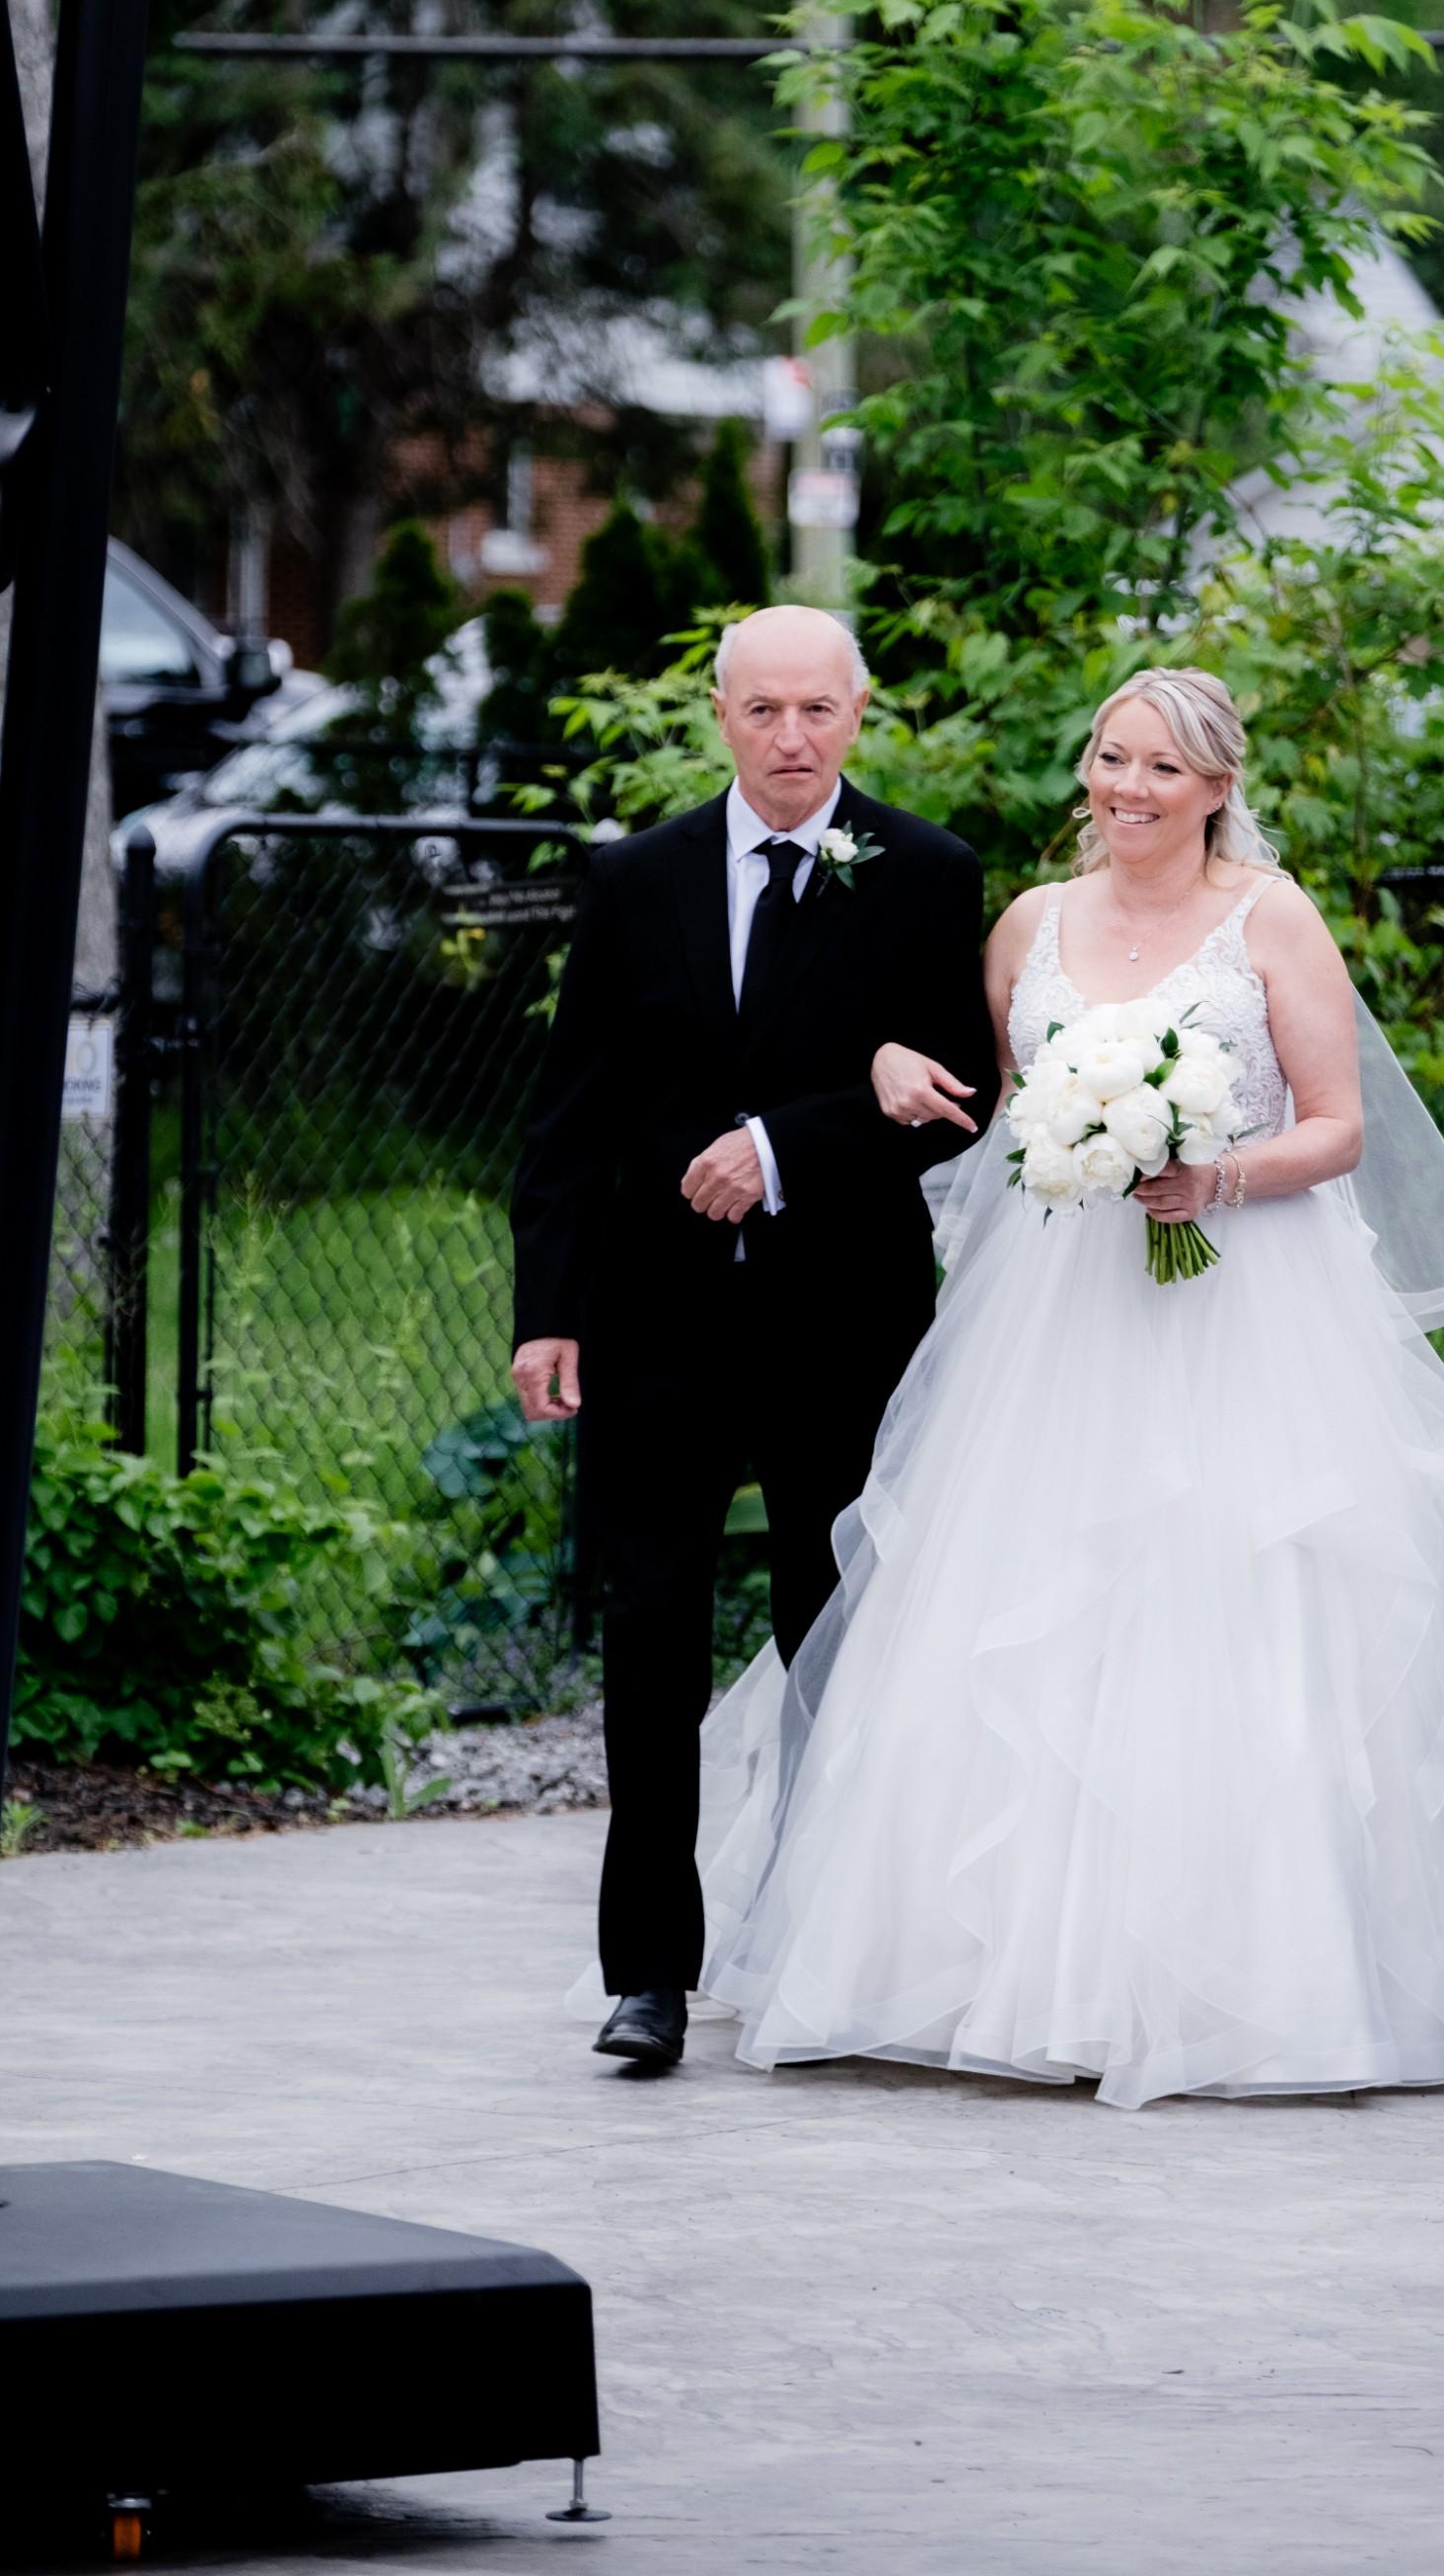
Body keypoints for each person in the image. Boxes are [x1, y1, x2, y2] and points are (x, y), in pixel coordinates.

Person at [690, 669, 1444, 2109]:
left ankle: (1257, 1983)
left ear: (1218, 786)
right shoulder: (1029, 926)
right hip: (1054, 1315)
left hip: (1248, 1307)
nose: (1129, 789)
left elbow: (1341, 1128)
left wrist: (1207, 1172)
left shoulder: (1272, 921)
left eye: (1163, 769)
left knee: (1227, 1605)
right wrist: (895, 1068)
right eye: (1112, 758)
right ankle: (992, 1973)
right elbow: (980, 1104)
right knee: (1028, 1610)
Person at [510, 604, 996, 2070]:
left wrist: (782, 1148)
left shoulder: (924, 873)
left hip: (843, 1319)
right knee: (648, 1631)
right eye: (764, 711)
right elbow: (570, 1116)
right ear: (720, 716)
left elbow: (960, 1088)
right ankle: (648, 1974)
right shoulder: (634, 881)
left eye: (819, 712)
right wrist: (547, 1311)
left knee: (833, 1630)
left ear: (862, 715)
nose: (793, 740)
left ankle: (831, 1952)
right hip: (655, 1322)